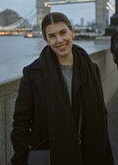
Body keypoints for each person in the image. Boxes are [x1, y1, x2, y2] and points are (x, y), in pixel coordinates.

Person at [11, 12, 114, 165]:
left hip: (89, 152)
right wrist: (22, 159)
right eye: (52, 36)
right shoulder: (32, 74)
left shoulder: (92, 69)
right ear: (45, 39)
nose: (59, 40)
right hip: (52, 155)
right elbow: (21, 123)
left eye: (63, 32)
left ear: (72, 32)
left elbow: (101, 113)